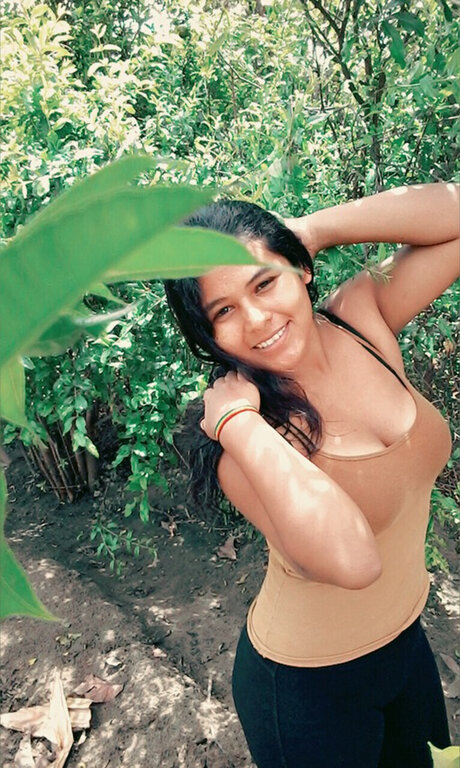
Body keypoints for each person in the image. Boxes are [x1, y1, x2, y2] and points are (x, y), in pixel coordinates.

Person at [164, 183, 459, 768]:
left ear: (301, 270)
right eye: (224, 311)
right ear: (208, 336)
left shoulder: (360, 318)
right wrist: (237, 425)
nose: (257, 319)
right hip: (305, 692)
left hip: (406, 643)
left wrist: (311, 230)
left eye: (264, 283)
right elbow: (355, 560)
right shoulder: (245, 441)